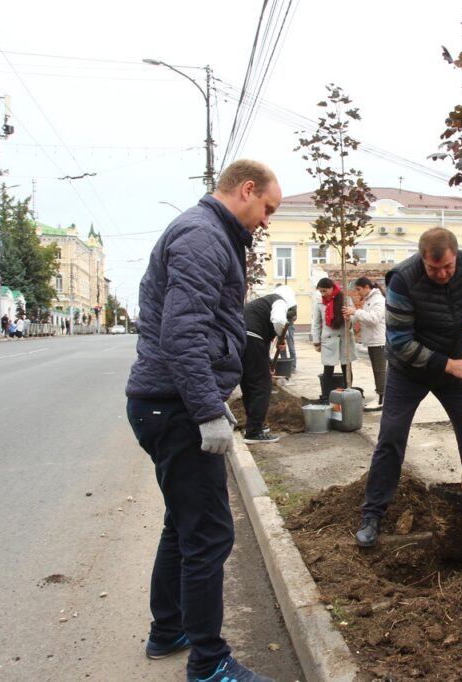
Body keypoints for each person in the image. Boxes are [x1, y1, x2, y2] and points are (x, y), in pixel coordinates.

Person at [125, 159, 281, 682]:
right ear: (247, 189)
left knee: (183, 524)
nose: (265, 222)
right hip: (176, 408)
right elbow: (183, 335)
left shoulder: (211, 234)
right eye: (267, 209)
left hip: (164, 404)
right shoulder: (201, 237)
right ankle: (210, 664)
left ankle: (168, 629)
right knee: (210, 536)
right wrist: (209, 412)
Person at [355, 227, 462, 548]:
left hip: (456, 365)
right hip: (410, 371)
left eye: (447, 267)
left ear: (456, 257)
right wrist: (449, 364)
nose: (442, 274)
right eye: (434, 269)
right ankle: (373, 513)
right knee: (391, 437)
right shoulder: (402, 280)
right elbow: (400, 343)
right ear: (423, 260)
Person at [241, 285, 296, 444]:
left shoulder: (261, 303)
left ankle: (255, 425)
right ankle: (254, 432)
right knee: (262, 386)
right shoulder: (279, 301)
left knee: (249, 384)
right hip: (252, 340)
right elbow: (279, 320)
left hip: (241, 341)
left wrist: (268, 362)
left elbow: (262, 338)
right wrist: (281, 337)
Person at [311, 277, 358, 402]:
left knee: (346, 368)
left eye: (325, 291)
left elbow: (353, 318)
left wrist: (348, 318)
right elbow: (316, 323)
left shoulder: (345, 299)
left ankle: (348, 393)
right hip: (328, 339)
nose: (323, 294)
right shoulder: (319, 302)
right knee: (328, 369)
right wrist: (316, 342)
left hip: (344, 338)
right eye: (321, 291)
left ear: (332, 288)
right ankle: (326, 396)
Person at [344, 276, 386, 411]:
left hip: (378, 340)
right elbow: (364, 315)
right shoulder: (369, 299)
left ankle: (381, 399)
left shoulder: (378, 299)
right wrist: (351, 315)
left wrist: (355, 311)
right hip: (372, 340)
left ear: (367, 287)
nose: (357, 293)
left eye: (359, 289)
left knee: (380, 371)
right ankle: (380, 395)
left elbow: (374, 319)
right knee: (377, 370)